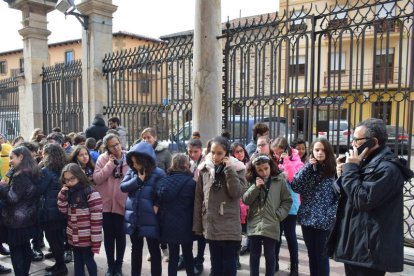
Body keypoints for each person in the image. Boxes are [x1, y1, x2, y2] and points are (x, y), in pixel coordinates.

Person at [327, 118, 412, 275]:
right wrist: (343, 174)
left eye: (356, 140)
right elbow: (346, 195)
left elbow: (363, 200)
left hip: (370, 251)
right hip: (355, 246)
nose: (352, 144)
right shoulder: (364, 161)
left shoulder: (388, 169)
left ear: (372, 142)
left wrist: (351, 170)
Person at [193, 136, 247, 276]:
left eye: (219, 153)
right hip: (211, 224)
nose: (215, 156)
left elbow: (236, 193)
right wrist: (198, 225)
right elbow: (199, 198)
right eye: (212, 152)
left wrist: (229, 170)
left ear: (227, 154)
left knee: (229, 265)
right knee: (215, 266)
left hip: (229, 224)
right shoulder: (204, 169)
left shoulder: (238, 168)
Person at [291, 138, 338, 276]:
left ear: (328, 152)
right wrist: (307, 168)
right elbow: (295, 186)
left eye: (323, 150)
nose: (320, 153)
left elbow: (339, 196)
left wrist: (329, 215)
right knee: (312, 255)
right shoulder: (308, 169)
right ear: (312, 151)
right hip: (308, 219)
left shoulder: (333, 170)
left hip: (324, 221)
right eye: (317, 150)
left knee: (322, 256)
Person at [120, 141, 166, 276]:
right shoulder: (132, 171)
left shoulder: (158, 173)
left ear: (144, 160)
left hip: (151, 218)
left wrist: (157, 204)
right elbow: (123, 187)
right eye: (132, 162)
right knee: (136, 249)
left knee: (154, 249)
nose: (133, 165)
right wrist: (138, 180)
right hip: (134, 217)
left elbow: (164, 192)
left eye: (136, 162)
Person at [243, 154, 292, 276]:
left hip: (271, 222)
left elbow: (287, 201)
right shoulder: (251, 180)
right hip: (255, 223)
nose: (264, 172)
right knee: (254, 254)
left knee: (270, 255)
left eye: (266, 168)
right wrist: (255, 187)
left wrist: (278, 215)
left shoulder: (279, 180)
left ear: (270, 166)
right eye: (260, 170)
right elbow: (245, 200)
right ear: (255, 170)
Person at [0, 146, 40, 276]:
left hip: (16, 220)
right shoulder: (31, 171)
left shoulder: (21, 175)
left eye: (12, 158)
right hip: (27, 217)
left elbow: (12, 198)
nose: (10, 161)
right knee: (25, 248)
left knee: (17, 251)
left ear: (21, 157)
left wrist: (3, 186)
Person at [57, 163, 103, 276]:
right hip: (74, 235)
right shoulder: (68, 191)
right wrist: (62, 194)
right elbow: (63, 210)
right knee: (77, 261)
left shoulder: (90, 192)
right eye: (66, 180)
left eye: (72, 178)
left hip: (87, 237)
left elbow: (97, 218)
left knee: (88, 260)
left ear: (79, 176)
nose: (69, 182)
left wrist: (95, 240)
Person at [93, 134, 129, 276]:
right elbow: (97, 179)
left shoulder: (129, 158)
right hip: (106, 205)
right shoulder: (102, 159)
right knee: (108, 237)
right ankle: (110, 265)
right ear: (107, 148)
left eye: (117, 144)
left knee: (120, 236)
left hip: (122, 204)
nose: (116, 148)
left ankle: (118, 265)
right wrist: (110, 164)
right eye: (112, 146)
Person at [157, 153, 196, 276]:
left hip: (168, 224)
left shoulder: (163, 181)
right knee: (188, 255)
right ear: (186, 165)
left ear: (172, 165)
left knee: (173, 257)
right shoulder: (191, 183)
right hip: (186, 224)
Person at [271, 137, 303, 275]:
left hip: (291, 203)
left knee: (290, 235)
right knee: (276, 235)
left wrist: (287, 162)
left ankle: (294, 265)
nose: (276, 156)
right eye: (275, 153)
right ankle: (275, 262)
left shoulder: (297, 162)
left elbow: (292, 178)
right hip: (277, 202)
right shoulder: (275, 160)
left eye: (278, 153)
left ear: (285, 150)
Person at [140, 128, 171, 262]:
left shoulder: (164, 152)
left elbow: (169, 171)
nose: (146, 140)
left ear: (155, 137)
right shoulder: (139, 152)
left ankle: (165, 248)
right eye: (144, 138)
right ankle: (153, 250)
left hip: (161, 193)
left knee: (162, 223)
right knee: (149, 225)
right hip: (146, 193)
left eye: (149, 137)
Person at [37, 144, 68, 276]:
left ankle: (61, 268)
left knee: (53, 240)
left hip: (50, 212)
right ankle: (59, 264)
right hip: (61, 210)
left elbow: (39, 190)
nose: (42, 156)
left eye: (44, 153)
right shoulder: (63, 169)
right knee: (58, 239)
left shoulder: (46, 171)